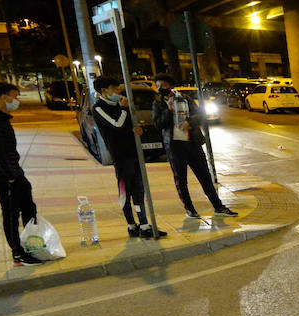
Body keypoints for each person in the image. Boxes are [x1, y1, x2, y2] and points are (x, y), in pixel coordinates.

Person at [0, 82, 43, 266]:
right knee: (11, 213)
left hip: (12, 170)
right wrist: (10, 176)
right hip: (2, 174)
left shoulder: (0, 117)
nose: (16, 100)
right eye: (14, 96)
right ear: (4, 97)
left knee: (29, 206)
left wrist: (15, 172)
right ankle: (18, 253)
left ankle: (31, 242)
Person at [91, 76, 165, 239]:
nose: (118, 92)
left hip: (134, 153)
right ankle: (131, 225)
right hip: (121, 156)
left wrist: (136, 129)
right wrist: (124, 109)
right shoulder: (99, 108)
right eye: (115, 89)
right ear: (104, 91)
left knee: (138, 190)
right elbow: (116, 125)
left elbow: (129, 125)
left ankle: (144, 224)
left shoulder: (120, 105)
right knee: (125, 191)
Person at [151, 75, 236, 219]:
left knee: (205, 176)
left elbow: (200, 114)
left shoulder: (185, 98)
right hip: (174, 146)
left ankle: (218, 206)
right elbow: (158, 124)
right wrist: (169, 110)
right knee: (181, 179)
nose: (161, 89)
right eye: (158, 86)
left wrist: (189, 123)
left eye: (163, 85)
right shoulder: (158, 103)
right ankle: (190, 209)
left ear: (171, 85)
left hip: (193, 143)